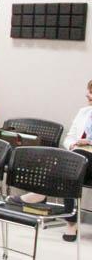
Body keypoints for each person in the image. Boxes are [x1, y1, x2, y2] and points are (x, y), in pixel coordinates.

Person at [10, 80, 92, 241]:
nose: (87, 95)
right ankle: (70, 221)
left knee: (71, 163)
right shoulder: (84, 112)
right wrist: (74, 144)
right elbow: (69, 138)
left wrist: (89, 142)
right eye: (88, 91)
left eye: (91, 92)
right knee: (71, 165)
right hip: (78, 158)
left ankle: (41, 194)